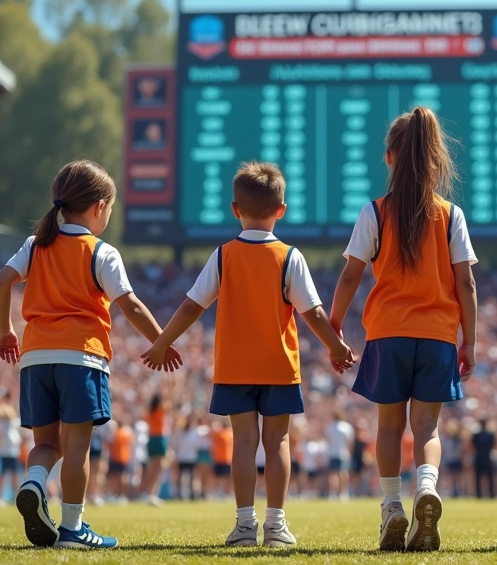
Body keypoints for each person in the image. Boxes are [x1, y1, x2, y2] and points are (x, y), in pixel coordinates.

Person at [143, 161, 353, 548]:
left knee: (243, 443)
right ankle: (275, 525)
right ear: (281, 210)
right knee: (277, 443)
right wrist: (335, 346)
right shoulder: (290, 257)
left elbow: (192, 306)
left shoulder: (223, 255)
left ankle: (243, 526)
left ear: (235, 209)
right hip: (279, 366)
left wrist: (162, 342)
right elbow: (314, 313)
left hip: (234, 366)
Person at [0, 159, 181, 550]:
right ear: (99, 207)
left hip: (35, 356)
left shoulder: (36, 245)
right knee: (78, 445)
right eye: (110, 208)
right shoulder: (102, 252)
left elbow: (1, 282)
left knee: (46, 443)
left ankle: (32, 483)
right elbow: (129, 305)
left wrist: (5, 330)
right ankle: (74, 528)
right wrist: (160, 340)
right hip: (82, 357)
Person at [330, 107, 479, 552]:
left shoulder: (374, 212)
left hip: (388, 332)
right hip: (436, 336)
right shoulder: (451, 214)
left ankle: (392, 506)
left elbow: (351, 276)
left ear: (390, 158)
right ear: (434, 159)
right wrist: (469, 339)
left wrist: (334, 324)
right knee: (427, 428)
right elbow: (466, 281)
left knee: (390, 426)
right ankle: (428, 488)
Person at [136, 395, 169, 506]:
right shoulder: (159, 411)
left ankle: (149, 493)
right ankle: (151, 494)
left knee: (153, 468)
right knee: (158, 469)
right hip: (159, 439)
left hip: (151, 440)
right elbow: (172, 399)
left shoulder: (149, 412)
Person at [0, 405, 23, 506]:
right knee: (1, 475)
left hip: (13, 453)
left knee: (14, 476)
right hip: (3, 453)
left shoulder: (15, 422)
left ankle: (16, 496)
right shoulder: (0, 424)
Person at [326, 411, 355, 501]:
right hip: (344, 453)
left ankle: (333, 493)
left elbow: (328, 441)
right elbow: (350, 442)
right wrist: (350, 453)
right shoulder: (347, 427)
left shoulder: (330, 427)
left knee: (333, 475)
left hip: (332, 453)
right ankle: (343, 493)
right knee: (343, 474)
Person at [107, 420, 135, 501]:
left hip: (116, 457)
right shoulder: (127, 433)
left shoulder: (117, 433)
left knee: (116, 478)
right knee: (122, 477)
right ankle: (122, 495)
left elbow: (110, 444)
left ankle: (117, 494)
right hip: (125, 457)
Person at [173, 417, 200, 500]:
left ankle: (192, 493)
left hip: (191, 457)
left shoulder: (193, 433)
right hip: (183, 457)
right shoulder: (181, 433)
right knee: (181, 476)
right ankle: (179, 493)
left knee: (192, 476)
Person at [471, 419, 496, 499]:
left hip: (478, 458)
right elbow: (494, 446)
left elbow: (472, 447)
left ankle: (479, 495)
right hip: (488, 458)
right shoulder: (490, 435)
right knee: (490, 478)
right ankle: (492, 494)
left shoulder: (476, 435)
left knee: (478, 478)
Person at [211, 419, 234, 499]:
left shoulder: (223, 433)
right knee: (222, 477)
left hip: (225, 458)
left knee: (224, 477)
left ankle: (225, 492)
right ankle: (222, 491)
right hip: (222, 458)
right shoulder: (227, 433)